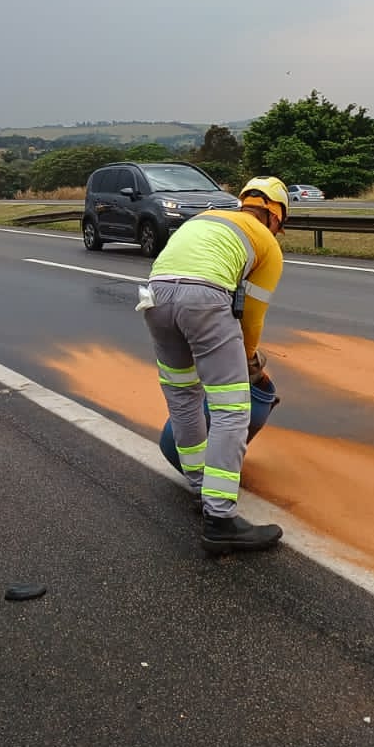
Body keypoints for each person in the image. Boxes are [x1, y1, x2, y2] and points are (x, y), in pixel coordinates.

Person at [139, 176, 290, 554]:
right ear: (275, 215)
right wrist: (250, 357)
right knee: (231, 408)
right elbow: (252, 315)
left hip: (155, 296)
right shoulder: (267, 242)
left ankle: (202, 490)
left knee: (184, 398)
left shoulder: (205, 218)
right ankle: (220, 519)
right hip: (203, 298)